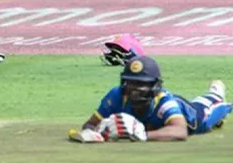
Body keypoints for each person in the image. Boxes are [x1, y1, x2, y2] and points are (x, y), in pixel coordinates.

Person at [79, 55, 231, 142]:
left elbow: (180, 131)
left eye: (141, 84)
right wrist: (94, 133)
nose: (135, 90)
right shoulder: (116, 96)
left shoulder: (165, 102)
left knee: (211, 110)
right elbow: (90, 124)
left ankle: (215, 93)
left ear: (155, 86)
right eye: (131, 83)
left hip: (192, 118)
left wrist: (144, 135)